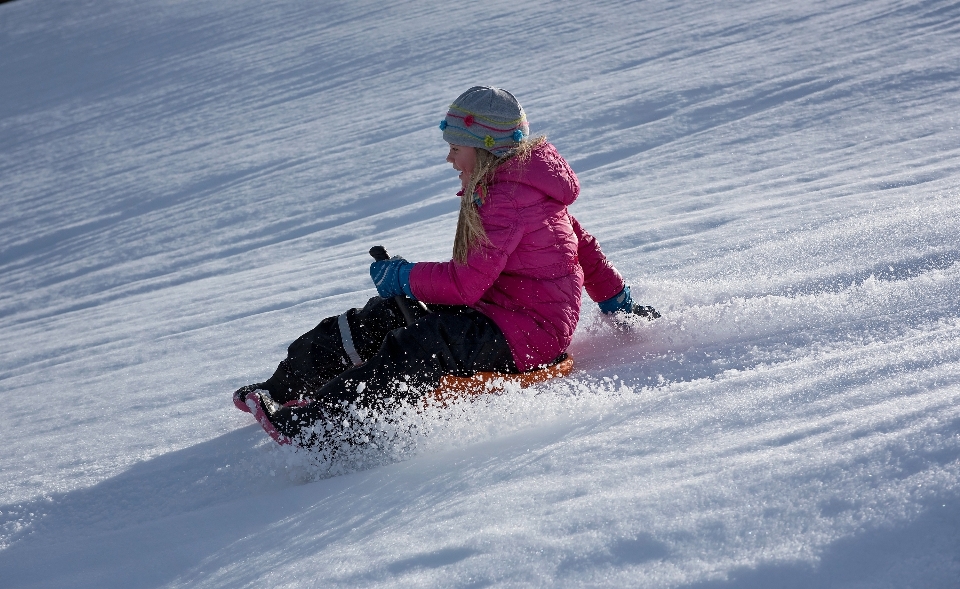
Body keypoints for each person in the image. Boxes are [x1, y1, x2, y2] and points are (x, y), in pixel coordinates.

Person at [234, 86, 658, 449]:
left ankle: (321, 428)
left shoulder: (507, 199)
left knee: (421, 343)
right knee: (385, 315)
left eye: (456, 149)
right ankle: (283, 389)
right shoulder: (524, 189)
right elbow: (586, 251)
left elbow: (465, 285)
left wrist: (402, 275)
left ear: (487, 149)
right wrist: (617, 302)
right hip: (500, 315)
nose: (451, 160)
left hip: (527, 335)